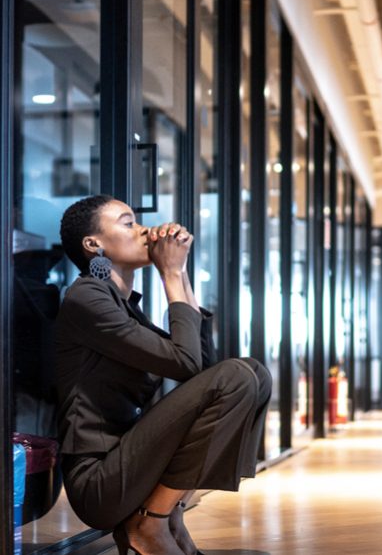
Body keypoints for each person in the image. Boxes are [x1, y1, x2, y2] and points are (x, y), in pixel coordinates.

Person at [55, 195, 271, 555]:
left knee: (253, 374)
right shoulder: (86, 299)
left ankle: (168, 516)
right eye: (128, 223)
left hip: (134, 465)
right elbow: (188, 364)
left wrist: (180, 273)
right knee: (237, 374)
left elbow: (201, 367)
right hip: (98, 480)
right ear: (94, 244)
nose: (144, 231)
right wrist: (170, 272)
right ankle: (149, 523)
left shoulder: (123, 306)